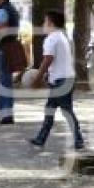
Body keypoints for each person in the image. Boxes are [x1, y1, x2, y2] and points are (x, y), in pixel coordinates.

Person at [29, 10, 85, 150]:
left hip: (61, 81)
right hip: (64, 79)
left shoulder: (51, 39)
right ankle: (41, 138)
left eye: (45, 22)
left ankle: (78, 139)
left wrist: (38, 77)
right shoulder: (62, 37)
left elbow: (48, 59)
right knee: (50, 110)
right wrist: (48, 76)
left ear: (50, 23)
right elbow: (57, 61)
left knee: (66, 111)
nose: (43, 25)